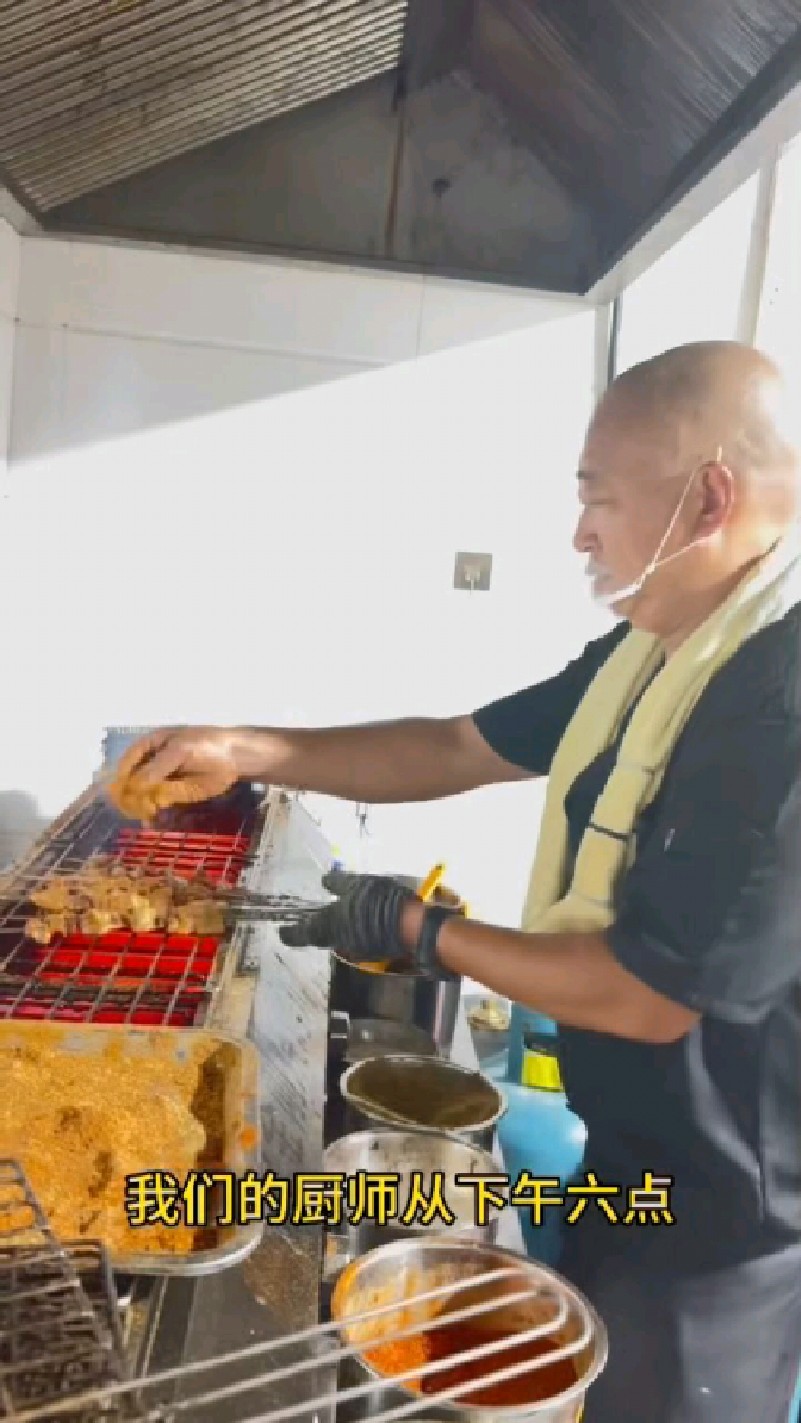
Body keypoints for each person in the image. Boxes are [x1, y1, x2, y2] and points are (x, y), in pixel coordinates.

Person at [117, 341, 801, 1423]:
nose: (582, 532)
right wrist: (249, 748)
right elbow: (451, 745)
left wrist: (420, 928)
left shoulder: (780, 699)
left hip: (724, 1225)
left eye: (599, 499)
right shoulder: (656, 653)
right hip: (630, 1154)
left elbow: (650, 991)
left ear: (709, 496)